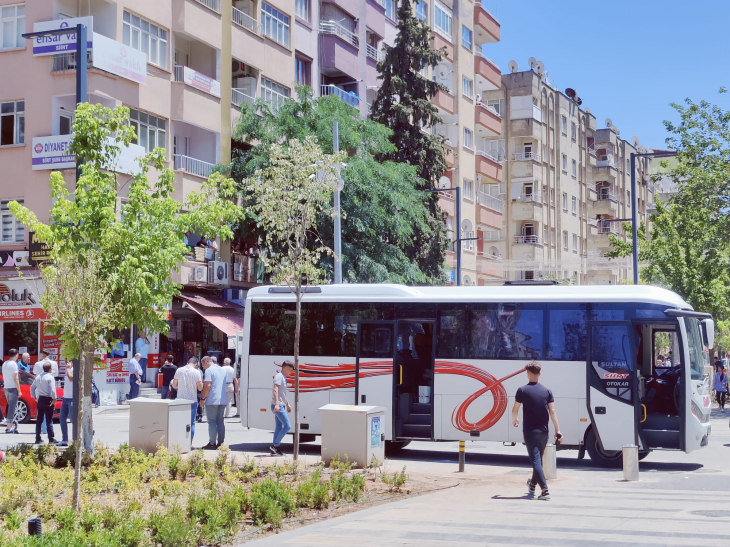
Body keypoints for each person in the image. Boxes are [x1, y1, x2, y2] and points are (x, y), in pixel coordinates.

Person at [511, 361, 562, 501]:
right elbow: (553, 412)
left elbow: (514, 409)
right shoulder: (547, 391)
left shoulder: (522, 390)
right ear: (540, 373)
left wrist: (514, 419)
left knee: (536, 461)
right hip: (544, 432)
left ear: (527, 373)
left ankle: (545, 490)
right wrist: (558, 430)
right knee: (538, 460)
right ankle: (532, 484)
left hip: (529, 431)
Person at [172, 357, 203, 444]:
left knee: (180, 422)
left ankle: (179, 443)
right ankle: (188, 444)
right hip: (192, 400)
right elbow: (200, 388)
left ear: (187, 362)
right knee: (191, 423)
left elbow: (174, 385)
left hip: (180, 400)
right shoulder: (197, 372)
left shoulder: (179, 370)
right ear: (196, 364)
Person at [200, 356, 228, 450]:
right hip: (223, 399)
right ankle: (221, 443)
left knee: (212, 422)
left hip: (212, 399)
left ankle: (212, 443)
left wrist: (203, 398)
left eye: (203, 364)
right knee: (220, 421)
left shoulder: (209, 370)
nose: (203, 367)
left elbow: (207, 385)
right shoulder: (222, 370)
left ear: (206, 362)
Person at [31, 361, 58, 445]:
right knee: (49, 420)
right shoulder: (50, 377)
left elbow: (32, 388)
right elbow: (53, 390)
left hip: (41, 398)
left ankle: (37, 438)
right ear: (50, 369)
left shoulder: (38, 377)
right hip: (48, 399)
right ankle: (51, 439)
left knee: (39, 420)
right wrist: (54, 399)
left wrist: (34, 396)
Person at [270, 360, 294, 456]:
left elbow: (282, 393)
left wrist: (287, 403)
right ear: (285, 368)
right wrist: (277, 404)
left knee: (279, 427)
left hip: (281, 405)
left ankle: (274, 449)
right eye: (290, 370)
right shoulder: (279, 376)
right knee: (287, 426)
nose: (291, 372)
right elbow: (275, 390)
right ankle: (275, 446)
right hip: (278, 406)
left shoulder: (283, 377)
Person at [2, 349, 20, 434]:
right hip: (13, 388)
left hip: (6, 387)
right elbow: (15, 378)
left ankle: (11, 423)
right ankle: (9, 427)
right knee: (12, 408)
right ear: (16, 354)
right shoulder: (14, 364)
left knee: (10, 406)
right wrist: (19, 390)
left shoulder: (5, 364)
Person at [58, 361, 74, 446]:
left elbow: (71, 378)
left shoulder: (75, 369)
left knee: (73, 419)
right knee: (62, 418)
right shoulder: (69, 369)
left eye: (69, 361)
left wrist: (68, 369)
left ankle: (81, 436)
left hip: (72, 398)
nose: (67, 363)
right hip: (65, 398)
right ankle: (64, 439)